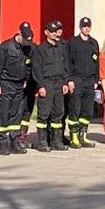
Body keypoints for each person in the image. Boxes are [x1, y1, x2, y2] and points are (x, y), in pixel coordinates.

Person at [0, 22, 35, 154]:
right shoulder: (5, 47)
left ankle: (14, 140)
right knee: (4, 113)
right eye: (25, 39)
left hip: (19, 85)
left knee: (16, 113)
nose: (27, 42)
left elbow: (27, 66)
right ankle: (3, 141)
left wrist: (26, 80)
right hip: (5, 84)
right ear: (19, 34)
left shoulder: (27, 48)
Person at [32, 21, 70, 151]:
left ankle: (56, 141)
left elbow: (65, 66)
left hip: (59, 83)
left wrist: (65, 82)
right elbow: (36, 69)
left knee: (58, 113)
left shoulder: (61, 48)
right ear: (46, 32)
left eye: (55, 31)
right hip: (46, 83)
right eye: (52, 31)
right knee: (44, 114)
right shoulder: (40, 49)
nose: (54, 34)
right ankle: (42, 142)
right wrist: (40, 86)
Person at [65, 17, 101, 148]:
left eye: (88, 26)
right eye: (84, 26)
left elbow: (97, 62)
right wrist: (69, 80)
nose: (86, 28)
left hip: (90, 81)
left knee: (87, 110)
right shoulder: (72, 43)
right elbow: (67, 62)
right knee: (75, 109)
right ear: (80, 27)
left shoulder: (93, 43)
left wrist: (97, 79)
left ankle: (83, 136)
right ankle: (74, 137)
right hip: (77, 79)